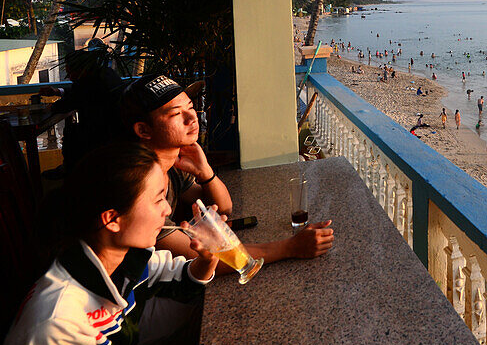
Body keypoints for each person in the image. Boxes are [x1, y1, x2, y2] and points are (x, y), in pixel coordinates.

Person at [3, 143, 219, 345]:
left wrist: (209, 257)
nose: (167, 210)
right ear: (112, 219)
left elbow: (180, 278)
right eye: (158, 199)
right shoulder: (59, 325)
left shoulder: (123, 256)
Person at [120, 75, 333, 276]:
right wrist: (291, 247)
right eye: (176, 114)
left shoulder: (172, 168)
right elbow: (200, 259)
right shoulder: (139, 186)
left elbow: (223, 208)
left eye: (191, 107)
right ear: (144, 130)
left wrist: (205, 172)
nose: (192, 118)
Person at [40, 45, 124, 178]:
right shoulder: (105, 73)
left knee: (71, 133)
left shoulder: (88, 82)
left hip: (103, 134)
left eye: (70, 72)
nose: (70, 77)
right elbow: (79, 94)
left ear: (80, 68)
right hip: (117, 130)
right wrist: (58, 91)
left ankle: (71, 170)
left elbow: (67, 104)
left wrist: (47, 108)